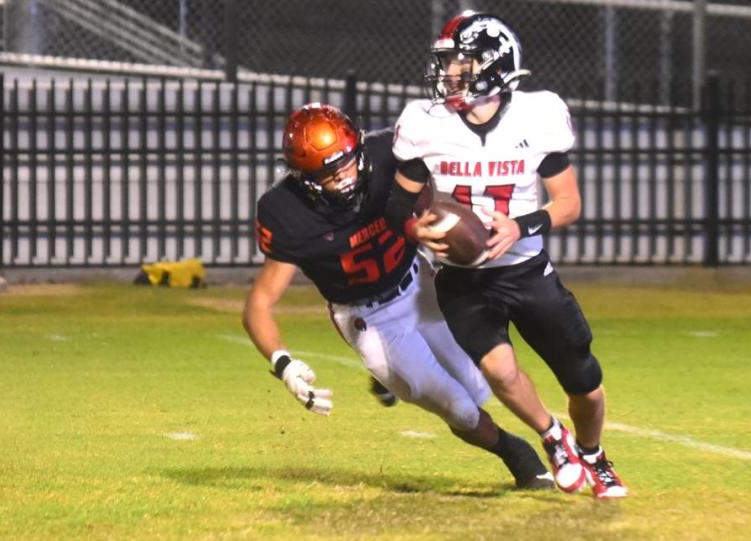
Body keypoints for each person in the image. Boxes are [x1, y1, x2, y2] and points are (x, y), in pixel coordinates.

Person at [243, 102, 553, 490]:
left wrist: (441, 223)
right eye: (326, 172)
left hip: (419, 283)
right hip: (368, 318)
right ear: (302, 177)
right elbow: (259, 303)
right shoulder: (285, 212)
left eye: (345, 163)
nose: (342, 178)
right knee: (458, 406)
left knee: (479, 388)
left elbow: (430, 187)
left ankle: (390, 379)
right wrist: (284, 363)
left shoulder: (387, 153)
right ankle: (514, 453)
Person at [386, 12, 627, 498]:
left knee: (585, 382)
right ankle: (552, 437)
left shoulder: (537, 115)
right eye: (449, 62)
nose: (450, 73)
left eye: (460, 62)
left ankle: (594, 454)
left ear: (492, 66)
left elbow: (569, 203)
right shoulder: (425, 123)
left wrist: (521, 225)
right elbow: (396, 202)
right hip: (462, 278)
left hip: (527, 270)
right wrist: (415, 229)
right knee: (497, 369)